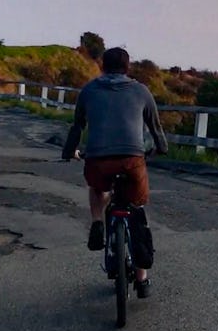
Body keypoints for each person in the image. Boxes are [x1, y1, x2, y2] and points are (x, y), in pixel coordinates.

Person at [62, 47, 169, 299]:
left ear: (102, 66)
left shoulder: (89, 90)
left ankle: (98, 222)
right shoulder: (141, 90)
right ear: (128, 67)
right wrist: (161, 148)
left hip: (98, 158)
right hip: (132, 159)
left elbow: (78, 125)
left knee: (98, 187)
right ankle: (142, 280)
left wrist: (69, 151)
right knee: (138, 210)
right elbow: (155, 126)